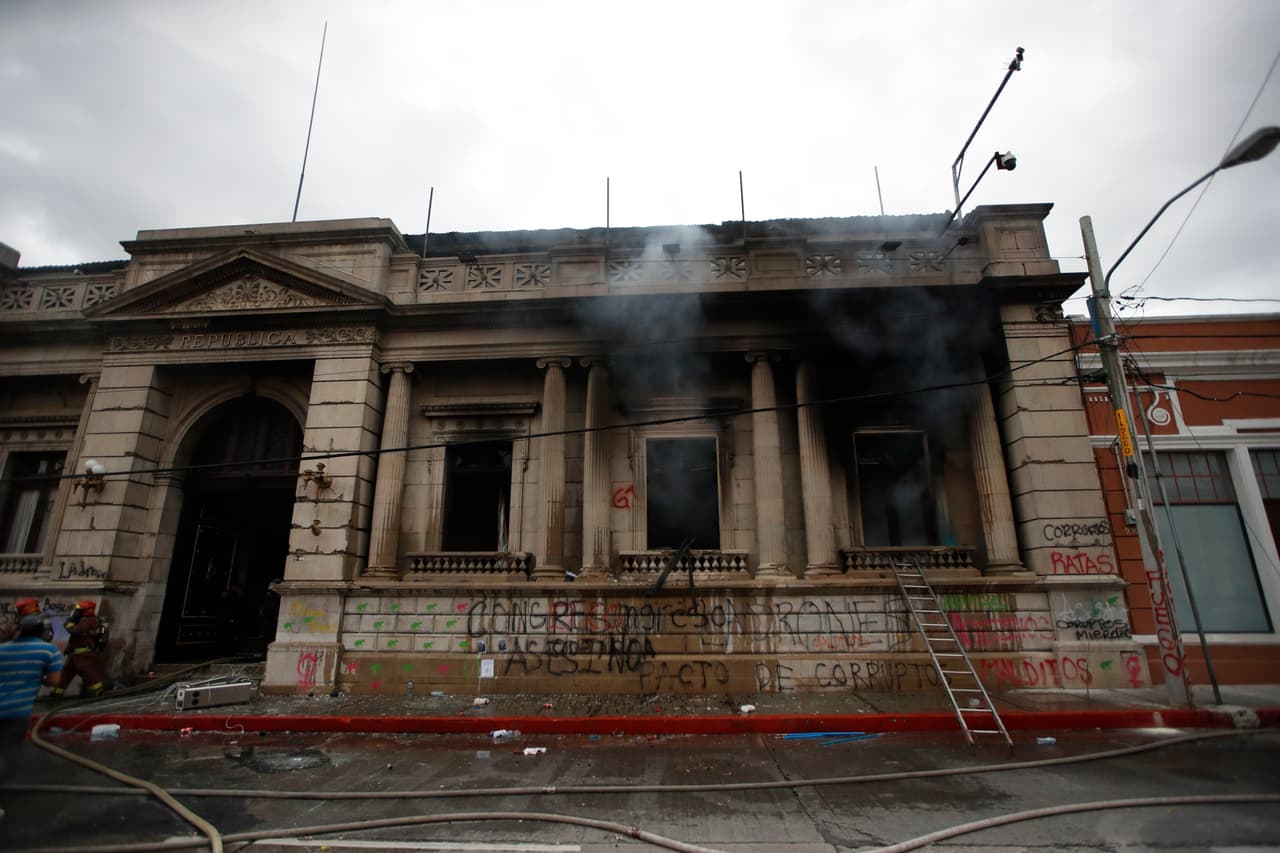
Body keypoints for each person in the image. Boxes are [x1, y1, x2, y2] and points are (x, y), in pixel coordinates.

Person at [0, 614, 63, 775]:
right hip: (17, 713)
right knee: (9, 754)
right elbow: (54, 681)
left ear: (19, 630)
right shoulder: (49, 651)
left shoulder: (2, 649)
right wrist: (37, 676)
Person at [48, 600, 107, 699]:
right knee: (66, 672)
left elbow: (75, 631)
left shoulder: (90, 621)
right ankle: (56, 692)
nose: (76, 613)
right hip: (75, 654)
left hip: (85, 655)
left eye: (78, 611)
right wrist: (69, 648)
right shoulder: (84, 621)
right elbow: (77, 639)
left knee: (87, 671)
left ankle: (98, 692)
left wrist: (68, 622)